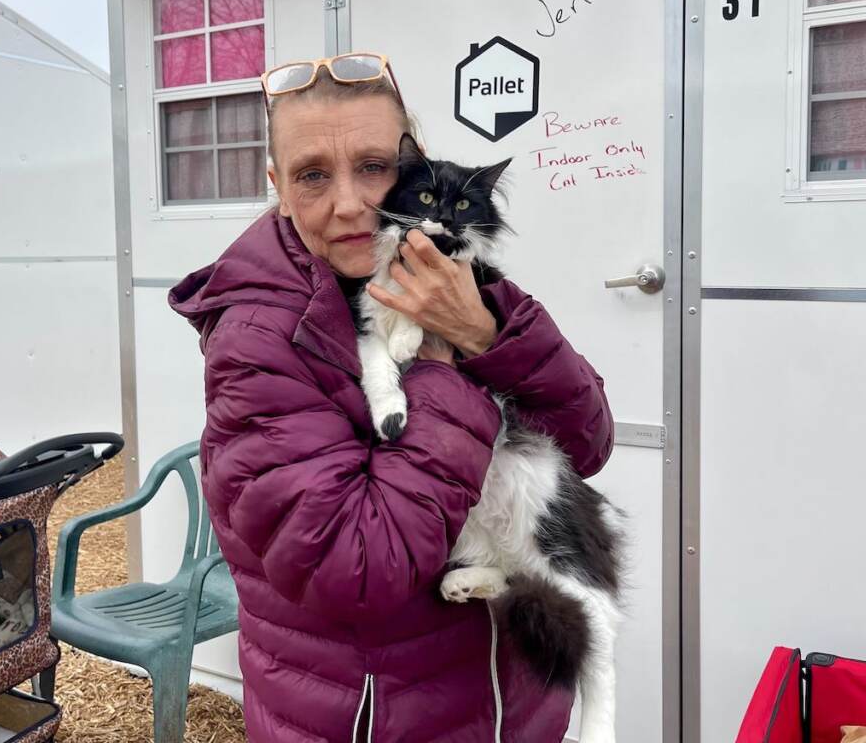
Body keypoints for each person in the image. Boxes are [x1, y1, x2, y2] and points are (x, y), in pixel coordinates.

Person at [168, 53, 614, 743]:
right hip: (374, 721)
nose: (349, 204)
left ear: (416, 170)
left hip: (507, 708)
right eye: (312, 175)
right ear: (278, 189)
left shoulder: (454, 272)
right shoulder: (259, 341)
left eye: (373, 167)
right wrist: (442, 360)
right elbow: (357, 571)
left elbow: (588, 439)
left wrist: (488, 331)